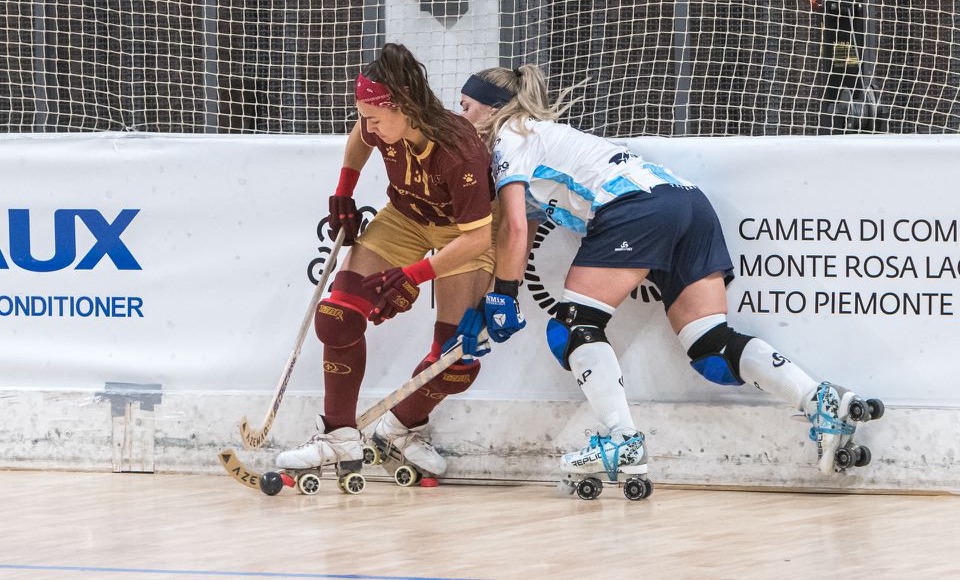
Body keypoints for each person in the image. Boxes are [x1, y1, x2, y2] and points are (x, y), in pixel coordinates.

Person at [456, 65, 884, 493]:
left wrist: (507, 297)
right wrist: (489, 301)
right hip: (687, 201)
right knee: (710, 346)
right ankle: (821, 401)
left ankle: (621, 441)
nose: (459, 117)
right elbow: (522, 234)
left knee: (573, 326)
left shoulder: (513, 135)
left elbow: (511, 226)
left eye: (466, 107)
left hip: (636, 207)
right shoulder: (543, 139)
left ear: (494, 110)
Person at [275, 43, 495, 480]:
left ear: (405, 107)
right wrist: (345, 187)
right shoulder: (377, 123)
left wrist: (413, 275)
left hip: (463, 234)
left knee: (455, 360)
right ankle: (338, 436)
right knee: (337, 316)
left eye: (376, 116)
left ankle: (400, 429)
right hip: (405, 218)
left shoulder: (459, 150)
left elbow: (479, 238)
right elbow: (361, 133)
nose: (369, 125)